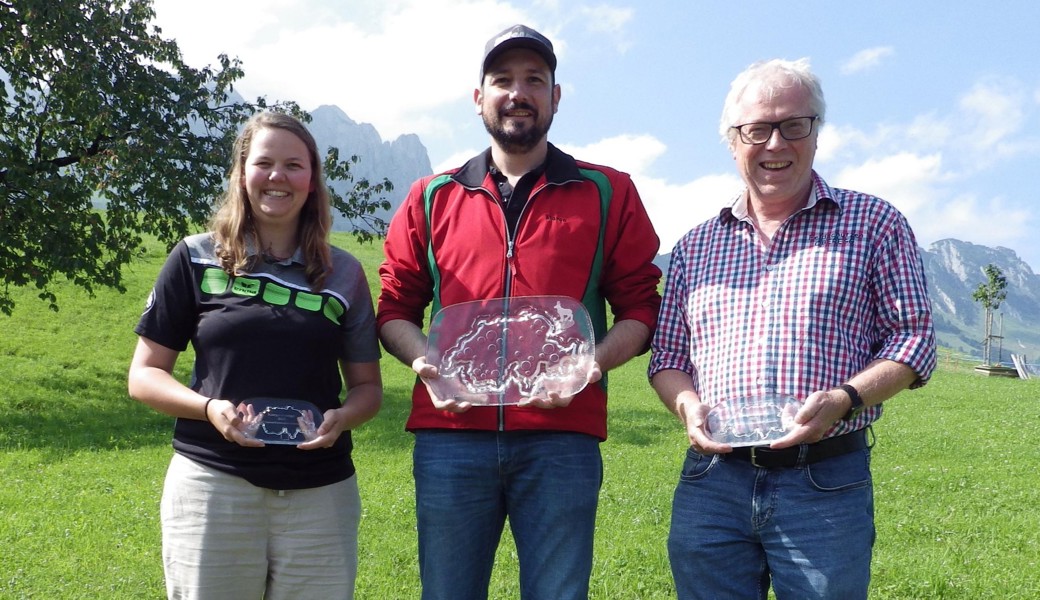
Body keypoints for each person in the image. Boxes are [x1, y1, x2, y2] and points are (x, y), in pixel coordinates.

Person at [377, 24, 662, 600]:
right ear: (478, 96)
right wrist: (426, 361)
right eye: (502, 79)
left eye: (535, 79)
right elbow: (393, 309)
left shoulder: (608, 192)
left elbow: (641, 307)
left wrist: (592, 364)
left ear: (556, 96)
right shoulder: (431, 197)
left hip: (561, 439)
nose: (518, 92)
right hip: (452, 437)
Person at [648, 58, 937, 600]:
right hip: (712, 481)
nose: (775, 143)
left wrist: (845, 397)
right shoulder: (694, 246)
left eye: (793, 125)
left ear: (816, 133)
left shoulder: (874, 223)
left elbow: (915, 338)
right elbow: (668, 358)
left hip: (824, 482)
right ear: (733, 142)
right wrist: (688, 406)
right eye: (756, 129)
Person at [127, 111, 382, 600]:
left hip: (321, 495)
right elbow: (144, 376)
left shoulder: (344, 274)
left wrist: (342, 418)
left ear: (311, 181)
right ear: (242, 175)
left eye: (293, 165)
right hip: (212, 487)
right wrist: (208, 408)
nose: (277, 177)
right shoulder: (196, 257)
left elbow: (368, 389)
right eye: (264, 163)